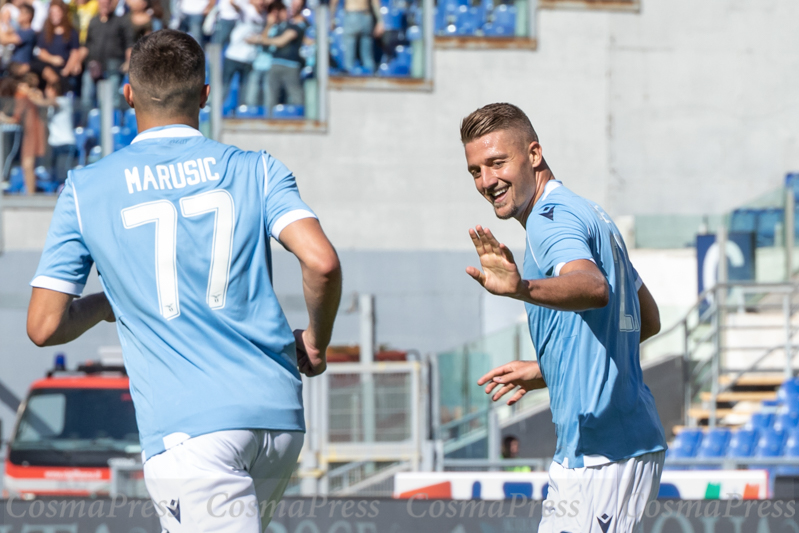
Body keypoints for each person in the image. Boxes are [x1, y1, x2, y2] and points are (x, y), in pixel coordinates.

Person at [26, 29, 342, 532]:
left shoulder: (86, 189)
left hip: (190, 431)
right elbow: (321, 262)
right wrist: (318, 342)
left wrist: (112, 302)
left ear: (127, 95)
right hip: (277, 419)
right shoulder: (256, 169)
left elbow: (44, 326)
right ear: (204, 95)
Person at [463, 103, 666, 533]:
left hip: (601, 454)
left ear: (533, 154)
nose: (486, 181)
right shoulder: (593, 214)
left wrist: (522, 288)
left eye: (497, 163)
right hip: (611, 446)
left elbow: (593, 288)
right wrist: (549, 369)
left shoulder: (548, 221)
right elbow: (645, 320)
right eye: (476, 171)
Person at [79, 0, 134, 109]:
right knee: (87, 96)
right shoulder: (93, 22)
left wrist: (129, 62)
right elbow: (86, 45)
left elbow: (129, 44)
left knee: (112, 99)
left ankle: (113, 123)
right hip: (93, 66)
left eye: (107, 2)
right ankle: (87, 122)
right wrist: (77, 62)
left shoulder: (121, 21)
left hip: (113, 66)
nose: (104, 4)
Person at [250, 0, 302, 114]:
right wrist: (268, 25)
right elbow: (265, 39)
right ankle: (269, 118)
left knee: (295, 96)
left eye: (280, 10)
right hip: (274, 64)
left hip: (291, 66)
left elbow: (281, 42)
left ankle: (299, 117)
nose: (277, 14)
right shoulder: (275, 28)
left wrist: (259, 40)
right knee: (270, 97)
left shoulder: (295, 27)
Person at [222, 0, 267, 108]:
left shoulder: (265, 15)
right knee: (224, 87)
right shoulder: (247, 9)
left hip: (249, 59)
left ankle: (239, 114)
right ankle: (213, 111)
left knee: (245, 90)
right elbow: (236, 6)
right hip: (233, 55)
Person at [33, 2, 82, 92]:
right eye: (52, 12)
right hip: (48, 69)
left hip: (64, 71)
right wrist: (52, 59)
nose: (55, 15)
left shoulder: (71, 32)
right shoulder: (46, 31)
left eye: (57, 12)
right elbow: (40, 51)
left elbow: (75, 52)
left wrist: (66, 70)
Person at [330, 0, 382, 74]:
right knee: (367, 56)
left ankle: (349, 79)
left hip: (351, 15)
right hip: (366, 15)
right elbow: (375, 2)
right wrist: (380, 21)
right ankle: (372, 77)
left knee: (349, 57)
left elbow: (334, 2)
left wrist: (331, 18)